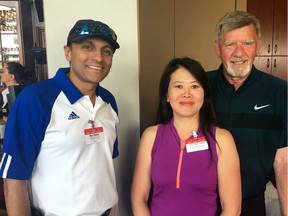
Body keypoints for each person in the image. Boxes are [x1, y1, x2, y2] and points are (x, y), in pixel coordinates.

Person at [0, 19, 120, 215]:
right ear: (68, 52)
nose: (98, 57)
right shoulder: (35, 99)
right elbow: (13, 179)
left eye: (106, 51)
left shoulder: (108, 102)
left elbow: (105, 165)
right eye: (87, 47)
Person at [131, 57, 241, 216]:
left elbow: (232, 209)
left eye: (195, 86)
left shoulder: (222, 140)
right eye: (178, 86)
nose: (187, 94)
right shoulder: (151, 136)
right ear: (167, 95)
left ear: (204, 94)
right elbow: (138, 199)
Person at [206, 11, 287, 216]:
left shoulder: (280, 92)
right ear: (218, 48)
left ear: (258, 47)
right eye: (230, 44)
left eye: (247, 43)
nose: (239, 52)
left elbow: (283, 162)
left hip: (251, 203)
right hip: (202, 201)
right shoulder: (198, 87)